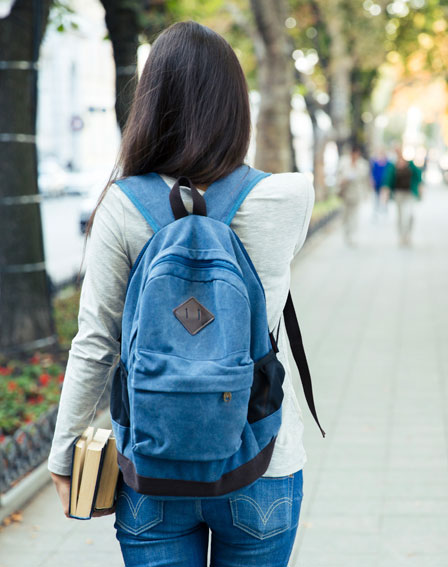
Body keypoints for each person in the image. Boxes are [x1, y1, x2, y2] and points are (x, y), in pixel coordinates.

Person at [48, 21, 313, 567]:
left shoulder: (121, 205)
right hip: (260, 461)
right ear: (235, 108)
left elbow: (96, 340)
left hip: (152, 466)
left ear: (151, 104)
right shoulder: (289, 197)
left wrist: (64, 451)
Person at [382, 148, 422, 246]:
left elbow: (419, 178)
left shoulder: (411, 166)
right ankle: (401, 236)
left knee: (410, 215)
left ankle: (408, 235)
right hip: (399, 194)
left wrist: (421, 192)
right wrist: (385, 194)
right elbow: (388, 181)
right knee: (400, 216)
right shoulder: (393, 167)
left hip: (409, 194)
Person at [337, 145, 370, 246]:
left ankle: (352, 236)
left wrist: (366, 194)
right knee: (345, 215)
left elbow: (365, 180)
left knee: (354, 216)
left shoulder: (363, 164)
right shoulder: (343, 162)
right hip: (345, 193)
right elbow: (339, 176)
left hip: (356, 193)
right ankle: (346, 234)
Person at [370, 148, 390, 217]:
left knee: (385, 197)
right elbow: (373, 173)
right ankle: (376, 211)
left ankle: (385, 210)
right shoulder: (376, 163)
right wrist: (372, 181)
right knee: (377, 197)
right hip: (377, 183)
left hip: (385, 183)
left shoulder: (388, 163)